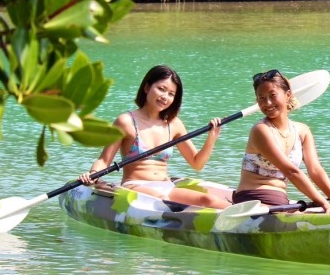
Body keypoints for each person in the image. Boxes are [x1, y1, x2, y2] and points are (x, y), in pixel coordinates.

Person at [78, 65, 232, 209]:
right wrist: (93, 175)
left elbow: (197, 163)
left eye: (171, 94)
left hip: (166, 186)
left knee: (208, 201)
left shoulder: (174, 124)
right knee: (162, 199)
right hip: (134, 186)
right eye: (161, 89)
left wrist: (212, 137)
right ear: (146, 87)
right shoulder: (125, 121)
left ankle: (249, 220)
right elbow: (105, 160)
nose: (165, 97)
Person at [235, 69, 330, 213]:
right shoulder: (260, 130)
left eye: (272, 95)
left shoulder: (302, 131)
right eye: (261, 98)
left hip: (280, 201)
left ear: (288, 94)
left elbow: (315, 170)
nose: (267, 103)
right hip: (252, 200)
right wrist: (324, 203)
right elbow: (292, 172)